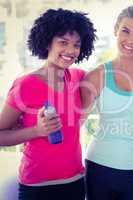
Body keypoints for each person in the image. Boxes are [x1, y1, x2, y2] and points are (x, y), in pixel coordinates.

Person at [0, 8, 97, 200]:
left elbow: (108, 73)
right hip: (38, 186)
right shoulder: (26, 85)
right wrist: (36, 131)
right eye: (63, 42)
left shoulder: (78, 77)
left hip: (75, 181)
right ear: (47, 43)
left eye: (77, 45)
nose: (71, 51)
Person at [80, 5, 133, 200]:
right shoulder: (97, 76)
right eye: (125, 31)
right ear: (116, 30)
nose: (130, 40)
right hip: (98, 167)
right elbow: (76, 123)